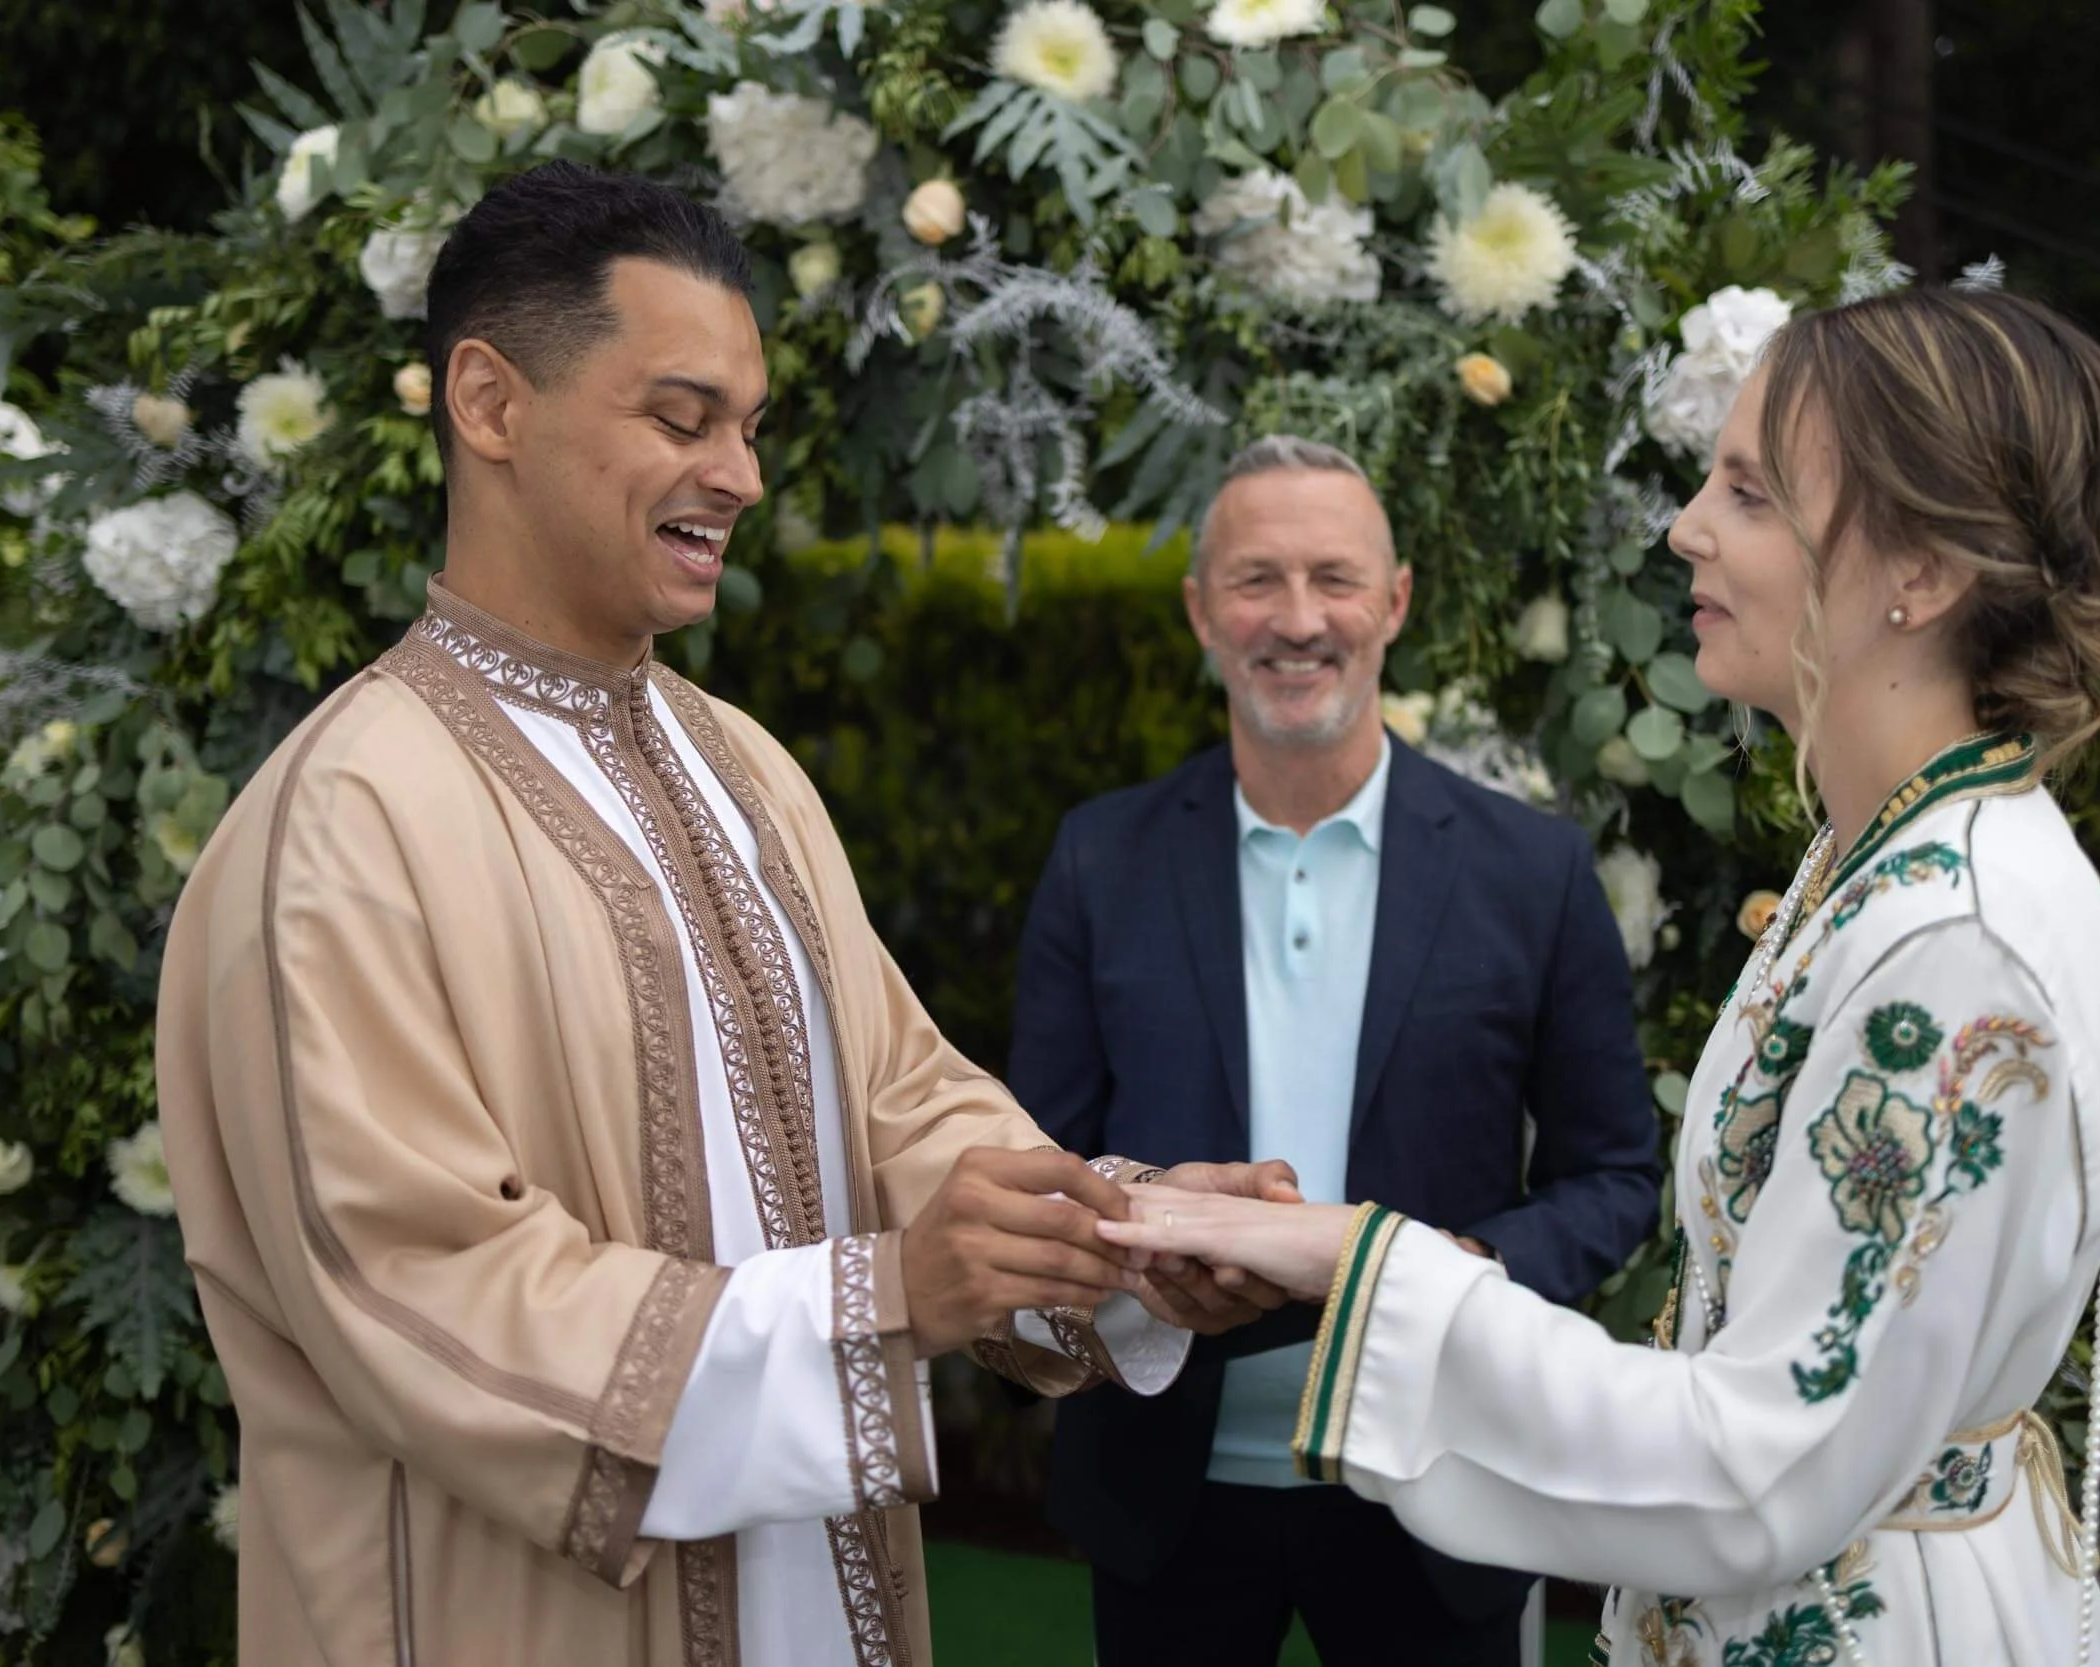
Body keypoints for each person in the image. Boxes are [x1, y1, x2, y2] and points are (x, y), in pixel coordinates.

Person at [155, 162, 1292, 1667]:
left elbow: (901, 1101)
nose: (744, 474)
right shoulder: (344, 824)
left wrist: (1109, 1233)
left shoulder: (739, 762)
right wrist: (888, 1297)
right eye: (683, 420)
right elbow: (427, 1293)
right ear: (489, 404)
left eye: (748, 427)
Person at [1100, 287, 2100, 1667]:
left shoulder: (1956, 942)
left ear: (1925, 568)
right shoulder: (1885, 866)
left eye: (1752, 492)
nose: (1686, 528)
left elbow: (1759, 1466)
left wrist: (1354, 1257)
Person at [1010, 435, 1663, 1665]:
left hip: (1439, 1478)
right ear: (1202, 610)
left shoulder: (1531, 869)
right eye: (1256, 579)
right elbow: (1035, 1159)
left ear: (1396, 601)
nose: (1297, 618)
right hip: (1164, 1482)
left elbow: (1616, 1172)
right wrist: (1140, 1248)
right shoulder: (1101, 859)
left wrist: (1455, 1266)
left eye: (1334, 577)